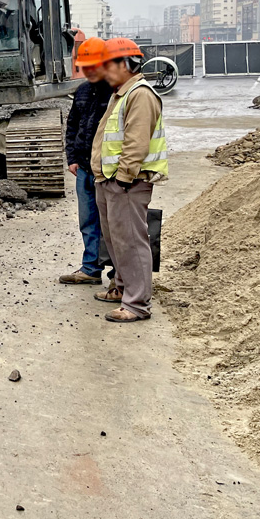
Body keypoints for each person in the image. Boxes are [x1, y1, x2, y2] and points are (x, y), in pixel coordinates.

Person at [91, 38, 169, 323]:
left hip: (126, 182)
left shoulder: (141, 94)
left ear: (125, 65)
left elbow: (136, 143)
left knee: (132, 242)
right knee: (115, 240)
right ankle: (121, 287)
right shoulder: (121, 94)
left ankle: (137, 304)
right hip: (110, 180)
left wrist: (123, 178)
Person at [58, 37, 114, 286]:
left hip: (108, 170)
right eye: (85, 66)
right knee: (88, 221)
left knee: (113, 225)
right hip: (84, 169)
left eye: (93, 66)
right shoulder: (82, 91)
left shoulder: (116, 92)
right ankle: (90, 269)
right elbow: (72, 126)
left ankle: (118, 275)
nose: (88, 71)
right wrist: (72, 158)